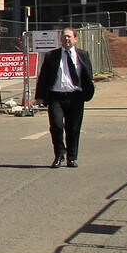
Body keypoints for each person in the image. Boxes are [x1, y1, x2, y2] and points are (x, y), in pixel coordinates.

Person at [35, 27, 96, 167]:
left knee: (73, 128)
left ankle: (72, 157)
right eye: (64, 37)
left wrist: (87, 90)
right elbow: (43, 76)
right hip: (56, 96)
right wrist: (39, 96)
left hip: (76, 96)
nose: (66, 39)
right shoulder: (52, 56)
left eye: (69, 37)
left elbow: (88, 74)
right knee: (56, 126)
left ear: (75, 39)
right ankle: (59, 154)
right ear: (60, 39)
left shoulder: (83, 55)